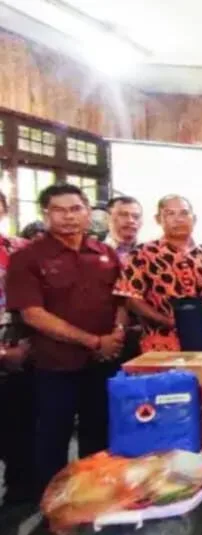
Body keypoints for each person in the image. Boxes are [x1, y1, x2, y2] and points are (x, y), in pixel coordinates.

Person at [7, 183, 125, 495]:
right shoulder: (27, 258)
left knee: (100, 434)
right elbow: (33, 314)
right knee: (52, 438)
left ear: (88, 213)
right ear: (45, 214)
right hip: (54, 365)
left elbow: (122, 299)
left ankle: (95, 497)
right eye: (59, 210)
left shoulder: (105, 254)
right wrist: (93, 341)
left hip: (103, 363)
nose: (69, 217)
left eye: (75, 209)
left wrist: (116, 334)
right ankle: (54, 503)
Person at [114, 195, 202, 352]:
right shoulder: (143, 253)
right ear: (158, 219)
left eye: (184, 213)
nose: (178, 219)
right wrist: (167, 321)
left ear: (194, 218)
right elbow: (130, 298)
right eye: (170, 213)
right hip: (161, 344)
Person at [0, 191, 33, 508]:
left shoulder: (20, 250)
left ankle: (20, 489)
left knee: (17, 429)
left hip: (19, 353)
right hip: (5, 354)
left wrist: (24, 348)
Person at [103, 196, 143, 261]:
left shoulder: (151, 252)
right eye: (123, 215)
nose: (131, 220)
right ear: (107, 218)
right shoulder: (95, 253)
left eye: (136, 216)